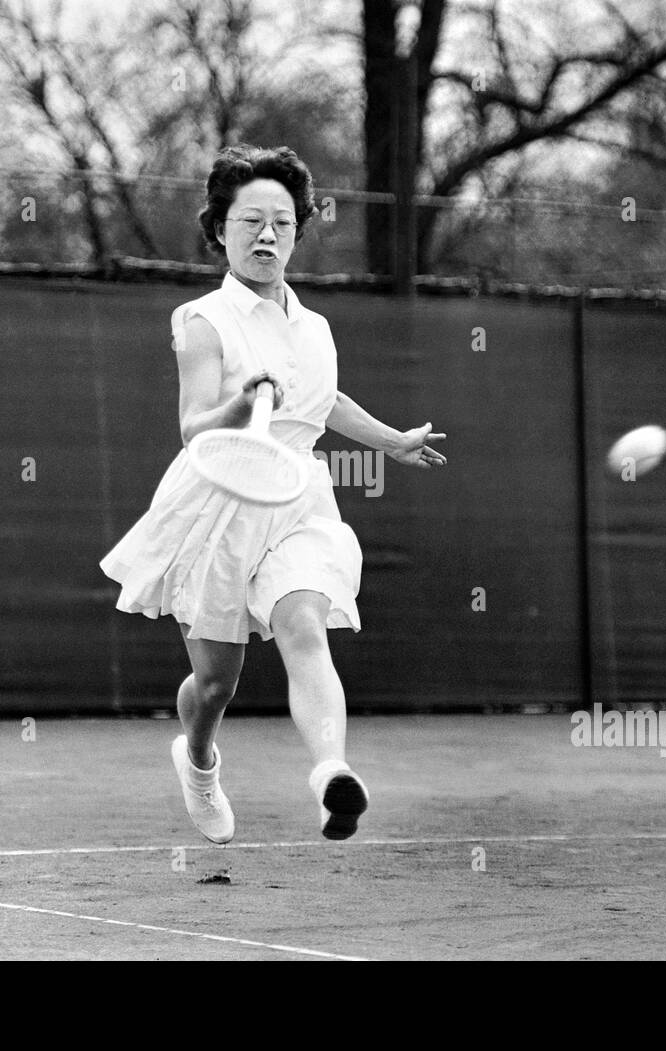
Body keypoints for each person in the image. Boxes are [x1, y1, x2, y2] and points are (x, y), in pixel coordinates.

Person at [100, 144, 446, 843]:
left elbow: (326, 398)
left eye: (282, 223)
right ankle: (197, 759)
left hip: (300, 498)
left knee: (304, 624)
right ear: (219, 229)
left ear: (298, 231)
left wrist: (391, 439)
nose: (266, 235)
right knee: (216, 684)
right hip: (219, 500)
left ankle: (330, 774)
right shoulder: (202, 321)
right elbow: (192, 423)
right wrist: (240, 405)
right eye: (250, 220)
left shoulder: (313, 325)